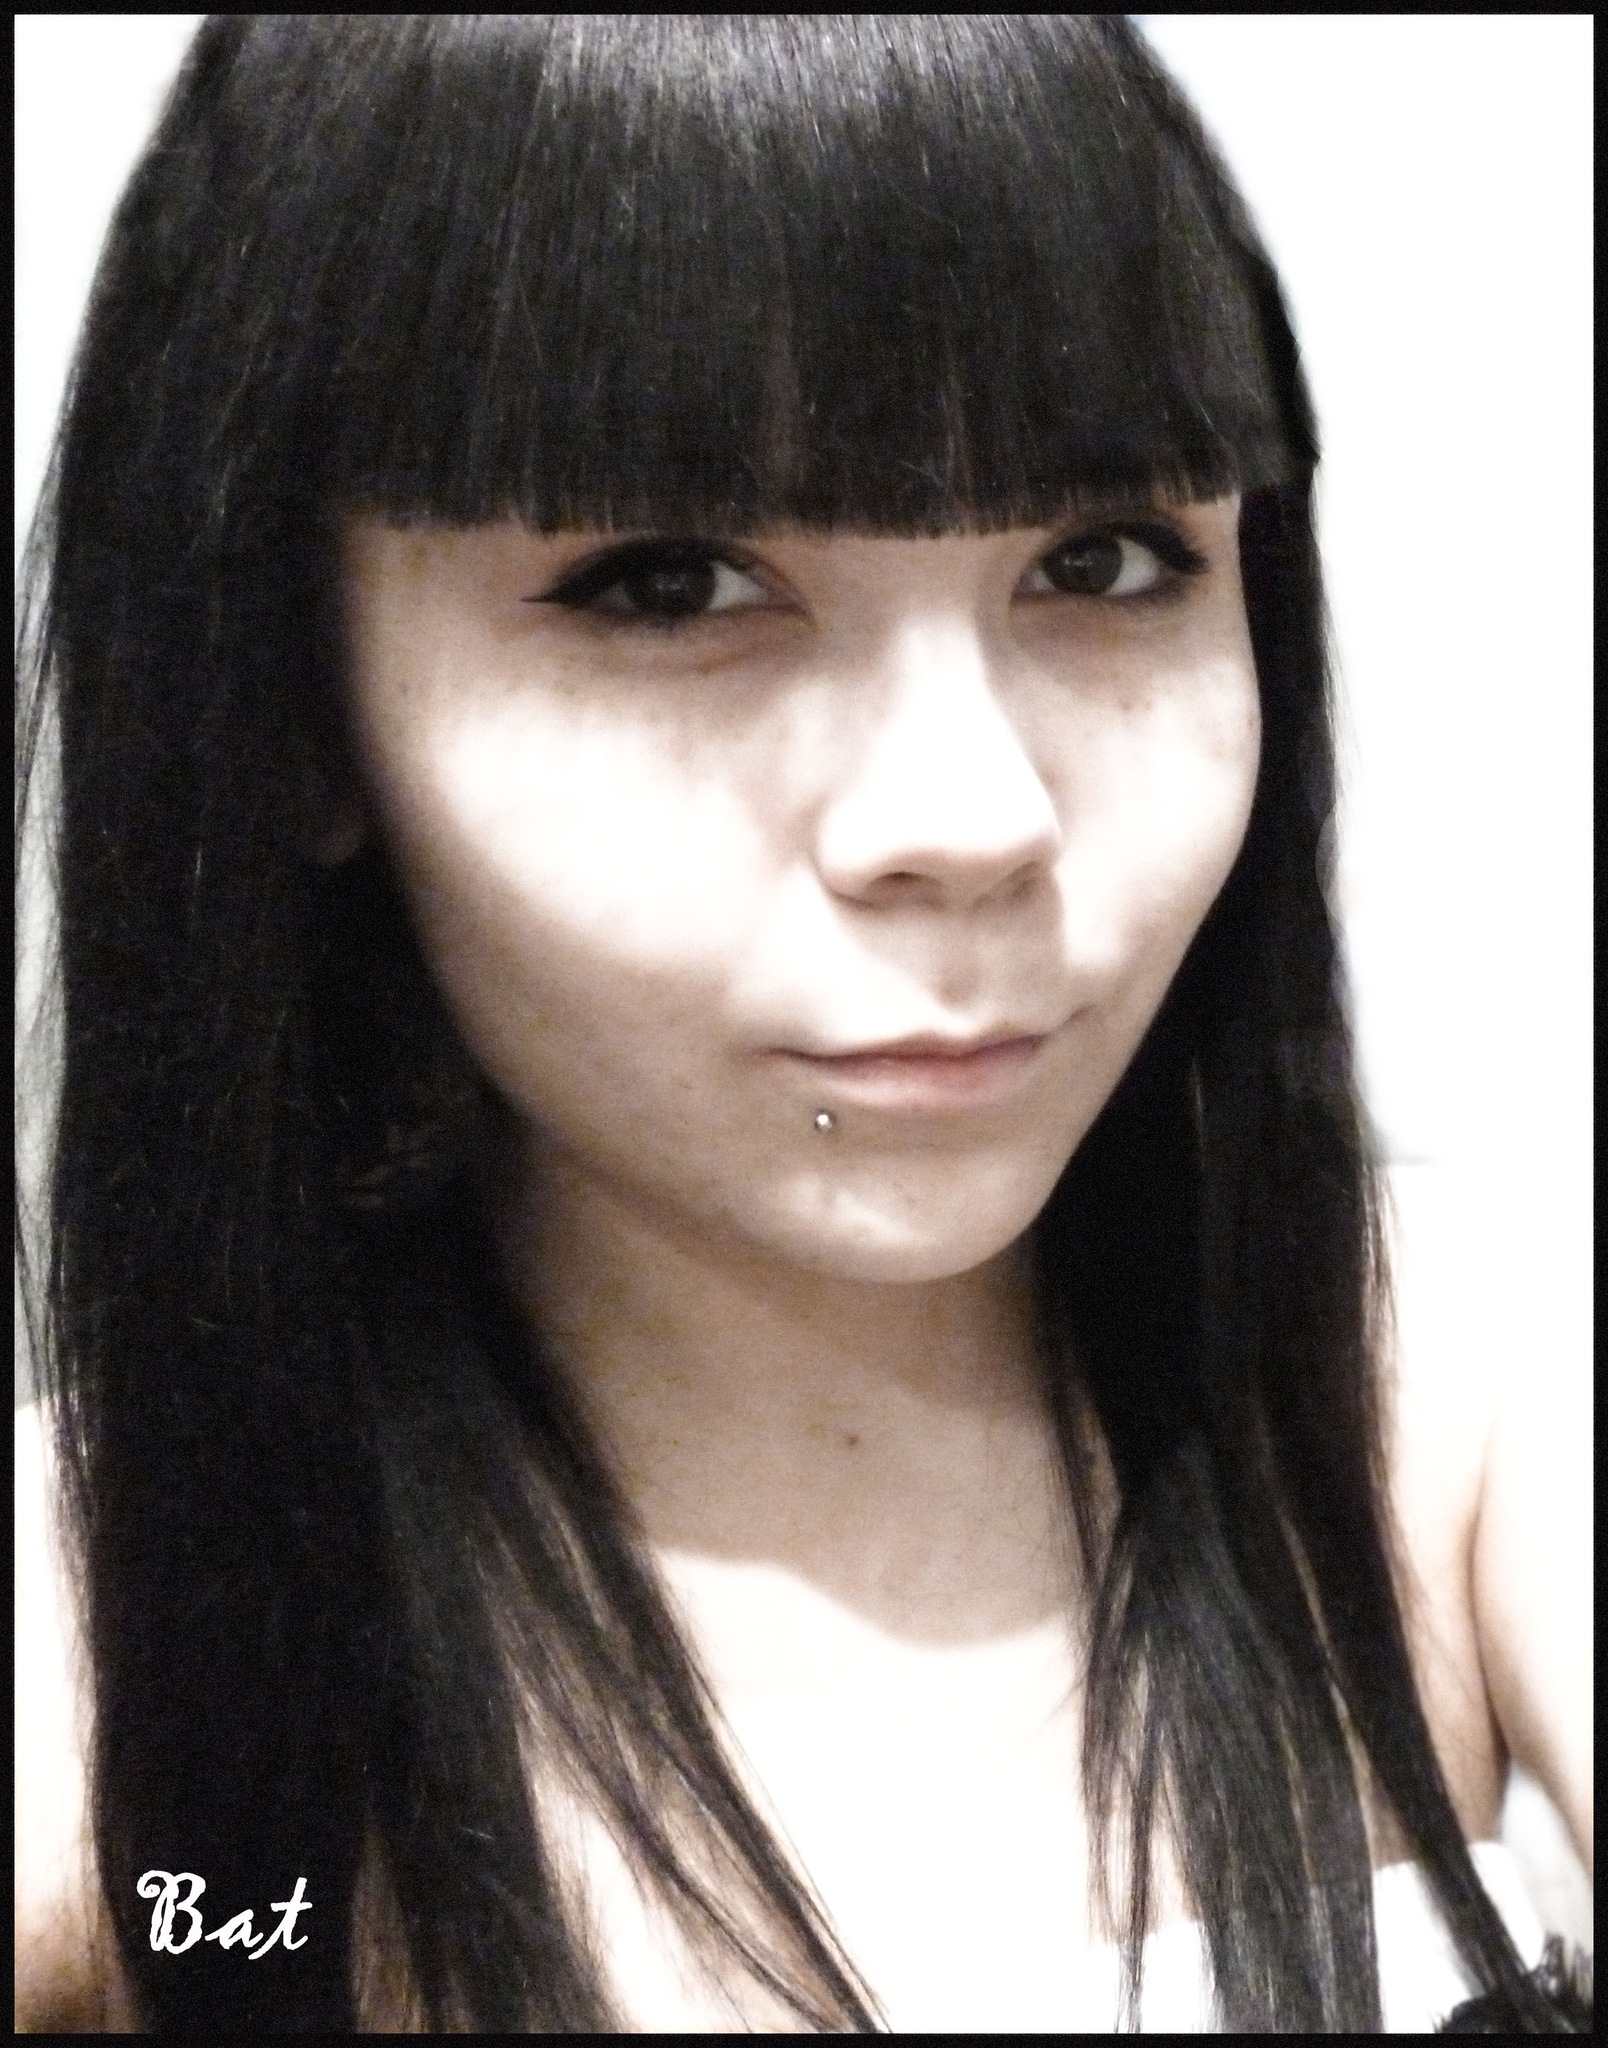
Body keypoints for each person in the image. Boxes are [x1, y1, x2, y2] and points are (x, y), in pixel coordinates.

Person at [13, 16, 1591, 2033]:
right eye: (670, 586)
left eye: (1106, 560)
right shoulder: (105, 1681)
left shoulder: (1454, 1409)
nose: (975, 815)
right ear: (297, 706)